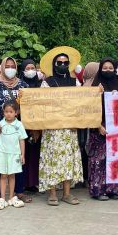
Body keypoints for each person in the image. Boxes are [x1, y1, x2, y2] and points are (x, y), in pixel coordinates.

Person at [39, 50, 84, 206]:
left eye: (66, 63)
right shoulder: (47, 83)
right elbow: (42, 104)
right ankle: (52, 193)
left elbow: (82, 101)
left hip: (70, 128)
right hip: (52, 129)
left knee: (68, 161)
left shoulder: (75, 82)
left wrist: (96, 92)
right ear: (54, 65)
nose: (63, 65)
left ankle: (66, 194)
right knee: (52, 160)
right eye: (60, 63)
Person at [0, 57, 27, 203]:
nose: (10, 68)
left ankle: (19, 192)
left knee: (18, 161)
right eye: (7, 66)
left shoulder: (23, 85)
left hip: (17, 131)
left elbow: (31, 105)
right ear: (2, 68)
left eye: (12, 66)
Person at [87, 58, 118, 200]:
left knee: (115, 158)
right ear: (100, 70)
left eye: (111, 68)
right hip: (99, 127)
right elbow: (90, 109)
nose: (108, 70)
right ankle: (99, 190)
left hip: (116, 128)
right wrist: (99, 126)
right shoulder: (95, 86)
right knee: (98, 161)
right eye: (105, 68)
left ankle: (114, 189)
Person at [0, 100, 28, 210]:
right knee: (3, 175)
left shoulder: (19, 125)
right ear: (3, 112)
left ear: (16, 113)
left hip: (14, 154)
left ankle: (11, 197)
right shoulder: (1, 124)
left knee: (12, 175)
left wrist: (23, 154)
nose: (8, 114)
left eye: (11, 111)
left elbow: (22, 140)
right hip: (3, 153)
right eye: (6, 111)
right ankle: (2, 198)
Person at [18, 58, 43, 193]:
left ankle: (33, 183)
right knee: (23, 154)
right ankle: (22, 183)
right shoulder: (19, 85)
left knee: (35, 155)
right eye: (27, 69)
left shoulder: (40, 85)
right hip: (22, 125)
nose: (30, 71)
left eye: (32, 68)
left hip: (38, 126)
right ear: (22, 70)